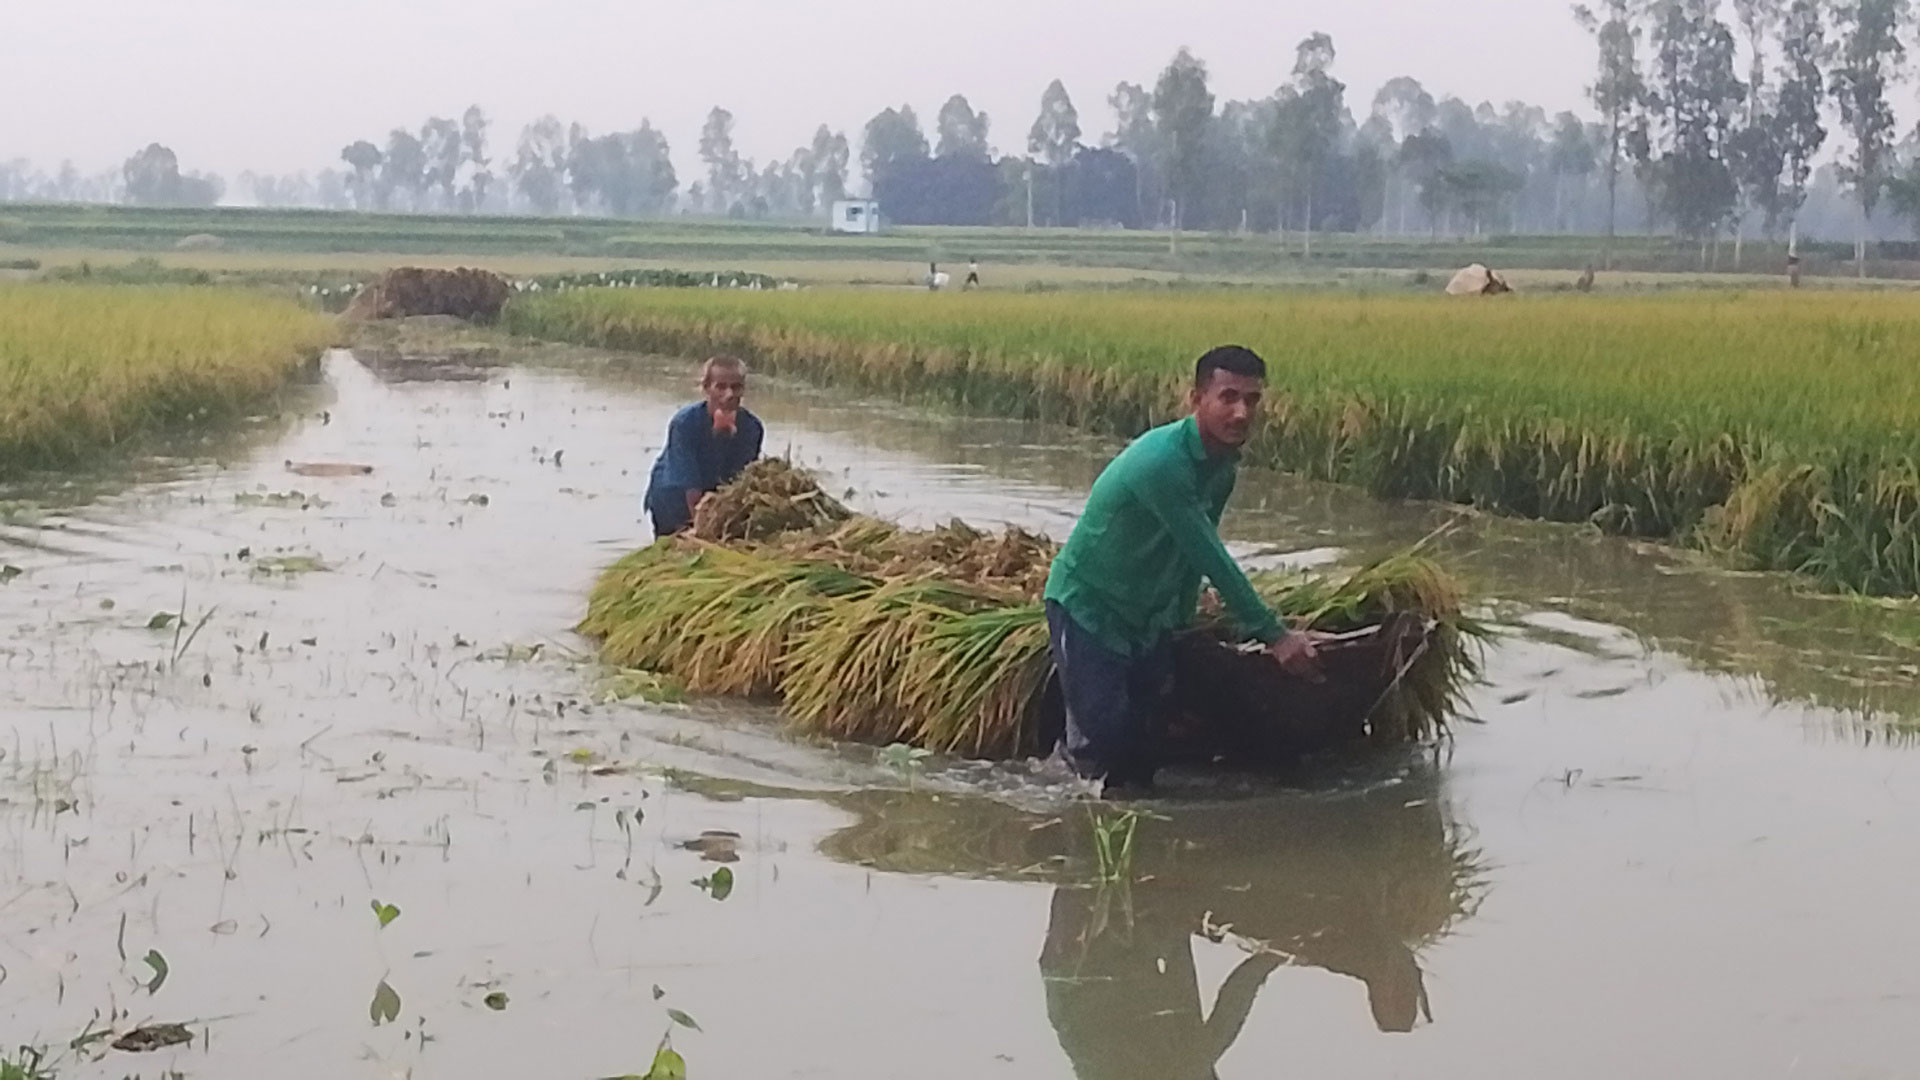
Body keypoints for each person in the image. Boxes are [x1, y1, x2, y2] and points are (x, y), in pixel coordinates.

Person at [1042, 345, 1321, 791]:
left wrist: (1184, 617)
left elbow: (1194, 550)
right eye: (1228, 397)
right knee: (1105, 742)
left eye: (1251, 400)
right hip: (1089, 606)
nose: (1241, 412)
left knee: (1150, 738)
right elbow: (1208, 551)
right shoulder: (1162, 463)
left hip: (1147, 613)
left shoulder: (1222, 467)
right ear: (1196, 400)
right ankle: (1061, 789)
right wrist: (1274, 635)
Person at [643, 355, 764, 537]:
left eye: (736, 387)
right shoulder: (684, 423)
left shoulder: (752, 428)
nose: (729, 394)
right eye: (721, 387)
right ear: (707, 388)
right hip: (672, 498)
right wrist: (703, 531)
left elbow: (740, 483)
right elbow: (690, 485)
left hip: (713, 495)